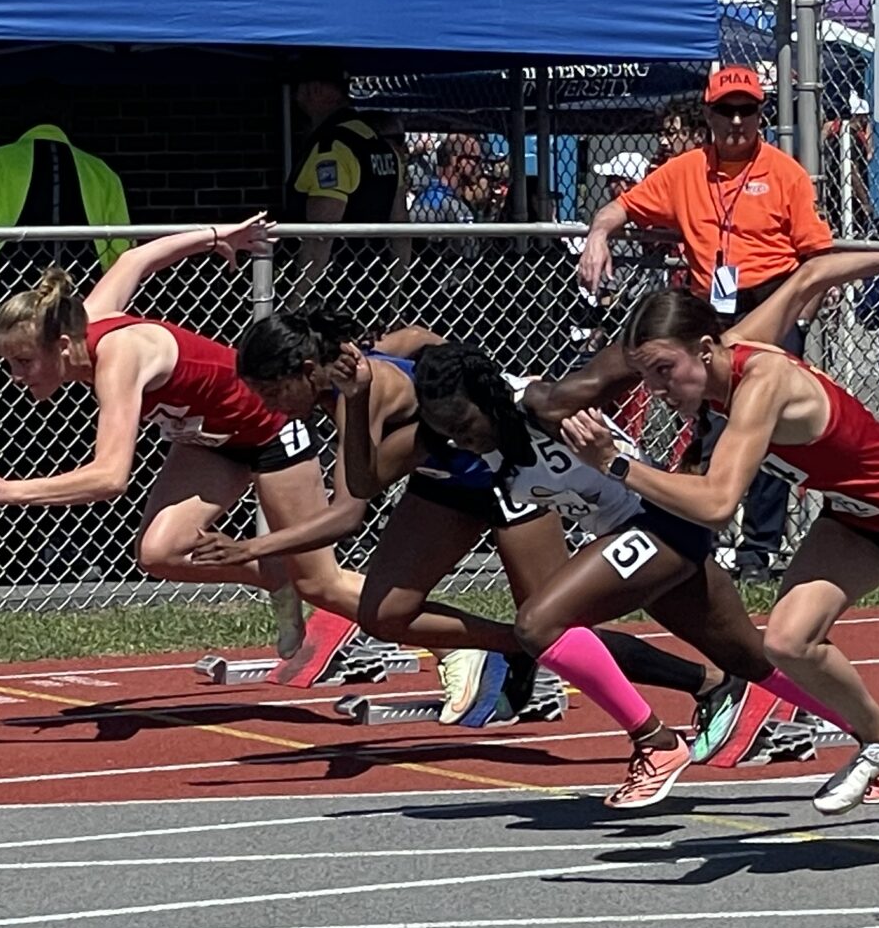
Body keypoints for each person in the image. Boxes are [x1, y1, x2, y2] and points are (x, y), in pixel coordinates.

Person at [558, 250, 879, 816]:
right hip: (855, 519)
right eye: (646, 375)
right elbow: (809, 275)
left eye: (663, 370)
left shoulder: (761, 384)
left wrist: (616, 464)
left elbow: (717, 502)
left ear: (704, 351)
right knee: (786, 641)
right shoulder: (727, 353)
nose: (657, 387)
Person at [218, 313, 738, 769]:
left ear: (306, 372)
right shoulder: (381, 355)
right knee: (385, 614)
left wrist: (256, 548)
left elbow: (354, 503)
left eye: (270, 393)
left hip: (508, 478)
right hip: (448, 480)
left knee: (558, 625)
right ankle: (511, 650)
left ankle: (706, 682)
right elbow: (422, 338)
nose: (270, 407)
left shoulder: (364, 389)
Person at [0, 216, 359, 663]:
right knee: (159, 553)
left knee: (322, 582)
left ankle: (441, 642)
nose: (16, 376)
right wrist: (214, 237)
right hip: (209, 441)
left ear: (64, 344)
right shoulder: (87, 316)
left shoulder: (117, 357)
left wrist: (10, 491)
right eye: (9, 363)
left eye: (24, 361)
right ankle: (275, 576)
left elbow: (110, 477)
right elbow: (137, 258)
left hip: (270, 428)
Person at [576, 64, 836, 585]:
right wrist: (597, 236)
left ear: (761, 115)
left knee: (769, 431)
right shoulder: (686, 170)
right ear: (709, 116)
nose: (737, 121)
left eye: (747, 110)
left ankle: (758, 550)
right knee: (711, 425)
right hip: (710, 315)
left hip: (770, 304)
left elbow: (816, 255)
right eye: (725, 111)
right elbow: (619, 208)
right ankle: (703, 539)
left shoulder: (784, 172)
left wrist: (802, 314)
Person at [285, 64, 406, 301]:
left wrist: (294, 300)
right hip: (374, 288)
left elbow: (321, 235)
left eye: (297, 88)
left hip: (331, 294)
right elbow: (401, 229)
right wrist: (396, 297)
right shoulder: (383, 147)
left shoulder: (332, 149)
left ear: (314, 89)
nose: (295, 97)